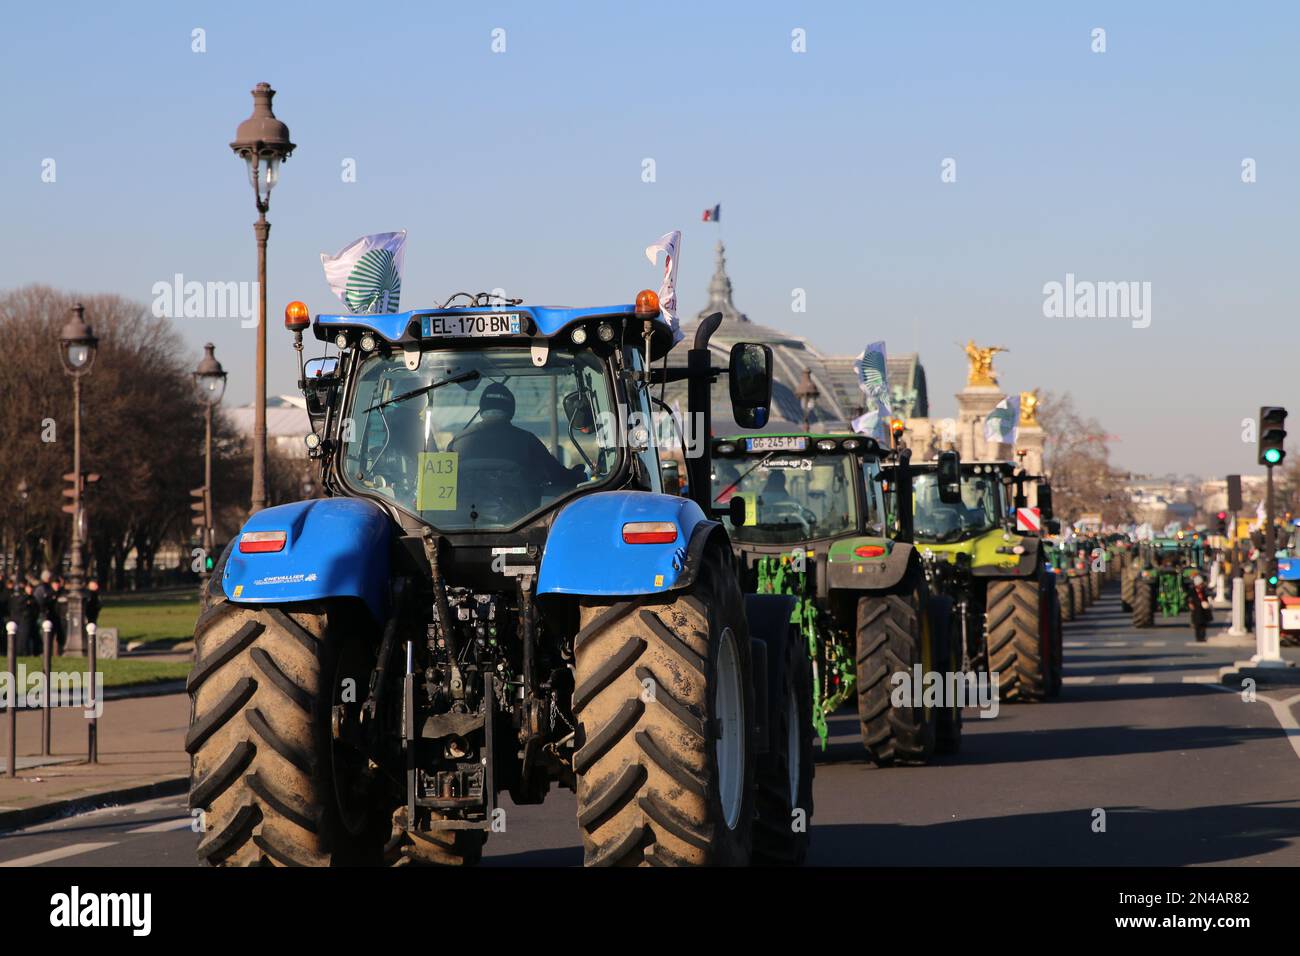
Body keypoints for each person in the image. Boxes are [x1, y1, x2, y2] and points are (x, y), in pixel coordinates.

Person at [449, 383, 583, 506]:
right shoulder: (527, 441)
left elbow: (444, 483)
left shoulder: (457, 442)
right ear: (511, 408)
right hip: (522, 523)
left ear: (482, 407)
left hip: (464, 524)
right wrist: (578, 476)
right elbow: (557, 476)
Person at [1189, 574, 1213, 642]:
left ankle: (1202, 637)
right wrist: (1190, 604)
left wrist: (1208, 603)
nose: (1201, 585)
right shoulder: (1192, 591)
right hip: (1196, 610)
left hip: (1203, 610)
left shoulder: (1204, 590)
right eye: (1200, 584)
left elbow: (1207, 597)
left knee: (1203, 625)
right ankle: (1198, 637)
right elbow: (1189, 599)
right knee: (1198, 625)